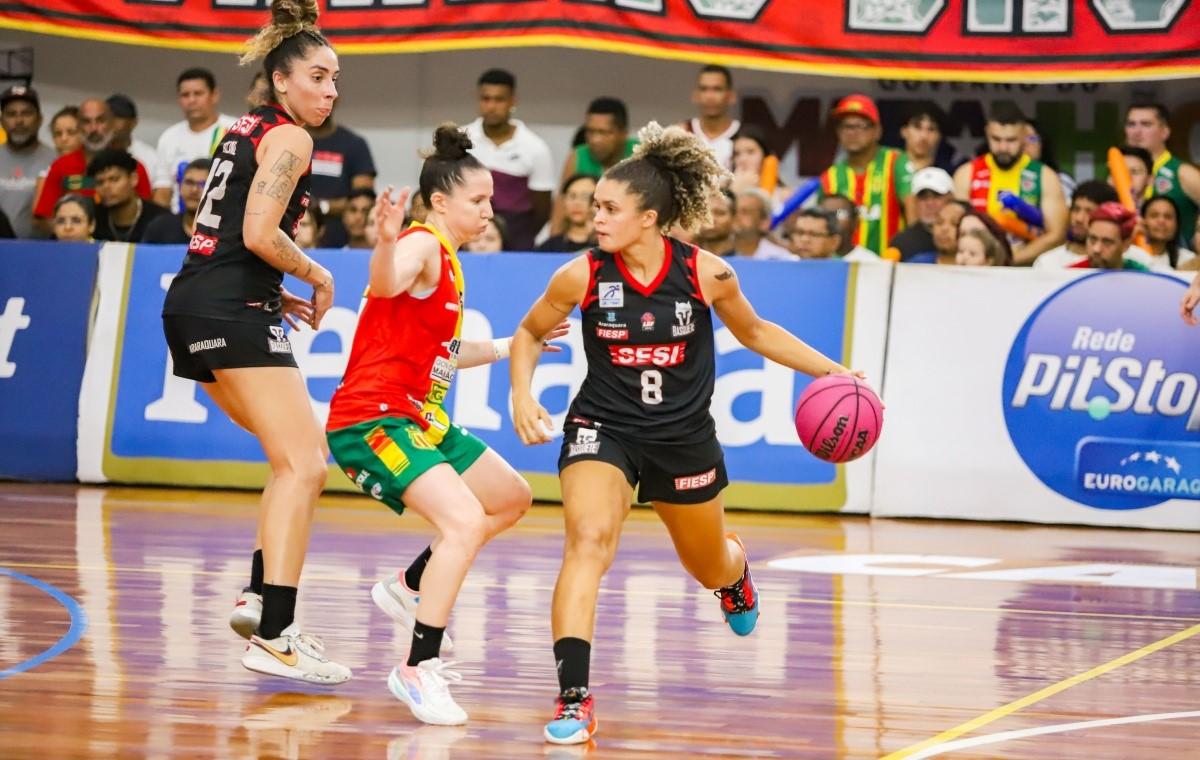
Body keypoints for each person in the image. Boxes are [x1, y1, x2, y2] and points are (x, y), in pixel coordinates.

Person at [507, 122, 864, 745]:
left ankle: (735, 575)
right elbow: (530, 332)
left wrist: (836, 373)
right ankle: (574, 698)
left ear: (649, 218)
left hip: (683, 438)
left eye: (610, 209)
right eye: (595, 206)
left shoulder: (708, 274)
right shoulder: (581, 274)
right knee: (588, 541)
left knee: (707, 564)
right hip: (603, 428)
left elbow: (756, 333)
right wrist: (521, 393)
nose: (597, 216)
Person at [326, 125, 564, 725]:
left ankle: (408, 587)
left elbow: (444, 352)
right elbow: (384, 281)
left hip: (420, 418)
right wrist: (383, 241)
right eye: (478, 201)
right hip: (372, 420)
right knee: (461, 522)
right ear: (439, 202)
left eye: (490, 201)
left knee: (510, 498)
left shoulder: (451, 263)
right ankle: (416, 669)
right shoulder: (422, 242)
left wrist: (513, 343)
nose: (490, 210)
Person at [160, 0, 350, 685]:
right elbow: (261, 233)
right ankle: (277, 632)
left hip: (194, 303)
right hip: (231, 308)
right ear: (281, 82)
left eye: (335, 80)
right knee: (306, 466)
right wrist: (317, 271)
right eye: (319, 77)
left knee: (286, 462)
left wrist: (274, 285)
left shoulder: (246, 129)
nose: (329, 91)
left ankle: (256, 596)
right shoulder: (293, 139)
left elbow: (224, 233)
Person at [954, 103, 1067, 265]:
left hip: (1025, 270)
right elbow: (956, 230)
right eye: (996, 139)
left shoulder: (1045, 176)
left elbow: (1057, 235)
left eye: (1011, 140)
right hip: (976, 270)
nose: (1003, 147)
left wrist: (1009, 260)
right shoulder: (967, 173)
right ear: (987, 133)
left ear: (1024, 135)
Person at [32, 97, 153, 234]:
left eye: (100, 121)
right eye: (86, 122)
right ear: (78, 126)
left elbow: (146, 214)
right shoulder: (61, 166)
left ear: (112, 125)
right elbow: (43, 217)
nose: (94, 129)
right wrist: (71, 233)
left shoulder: (133, 167)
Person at [465, 69, 555, 251]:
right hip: (466, 238)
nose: (491, 106)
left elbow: (543, 209)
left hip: (518, 242)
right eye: (486, 98)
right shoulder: (461, 139)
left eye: (499, 99)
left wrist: (515, 236)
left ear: (513, 101)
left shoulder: (535, 147)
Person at [819, 94, 909, 256]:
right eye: (846, 126)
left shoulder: (895, 162)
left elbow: (913, 213)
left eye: (860, 126)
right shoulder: (830, 177)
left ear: (877, 131)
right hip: (842, 268)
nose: (852, 133)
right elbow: (823, 225)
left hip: (888, 266)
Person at [153, 68, 238, 211]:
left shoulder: (235, 130)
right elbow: (163, 191)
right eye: (185, 95)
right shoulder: (169, 137)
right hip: (179, 222)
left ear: (214, 95)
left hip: (224, 222)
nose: (191, 100)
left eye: (198, 93)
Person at [1124, 102, 1200, 251]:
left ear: (1165, 132)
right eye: (1131, 124)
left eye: (1146, 124)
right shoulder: (1117, 172)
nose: (1136, 131)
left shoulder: (1182, 172)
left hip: (1177, 263)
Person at [307, 102, 376, 246]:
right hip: (297, 238)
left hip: (343, 241)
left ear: (336, 99)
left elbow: (363, 200)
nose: (322, 101)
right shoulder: (289, 140)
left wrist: (320, 207)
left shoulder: (354, 144)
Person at [0, 86, 55, 239]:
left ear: (40, 120)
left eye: (26, 113)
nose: (19, 121)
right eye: (11, 114)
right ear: (2, 121)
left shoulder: (56, 161)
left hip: (41, 254)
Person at [1032, 180, 1126, 270]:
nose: (1079, 219)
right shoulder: (1047, 263)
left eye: (1089, 212)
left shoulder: (1130, 260)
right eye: (1076, 210)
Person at [89, 149, 170, 243]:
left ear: (133, 179)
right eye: (100, 182)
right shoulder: (93, 219)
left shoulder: (162, 220)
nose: (106, 187)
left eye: (114, 179)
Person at [887, 166, 952, 262]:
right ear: (915, 202)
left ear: (950, 198)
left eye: (936, 196)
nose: (929, 204)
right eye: (923, 197)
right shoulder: (901, 242)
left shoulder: (964, 239)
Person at [681, 64, 739, 169]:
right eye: (704, 89)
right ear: (696, 95)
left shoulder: (745, 136)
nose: (710, 97)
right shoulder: (681, 133)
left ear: (731, 96)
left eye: (717, 89)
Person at [142, 158, 210, 244]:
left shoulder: (226, 234)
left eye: (203, 184)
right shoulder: (159, 228)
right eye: (189, 182)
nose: (194, 190)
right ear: (180, 186)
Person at [1070, 202, 1148, 271]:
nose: (1096, 249)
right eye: (1092, 240)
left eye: (1107, 242)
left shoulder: (1142, 277)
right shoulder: (1070, 275)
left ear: (1126, 245)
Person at [537, 174, 597, 253]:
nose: (577, 203)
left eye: (585, 197)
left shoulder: (607, 247)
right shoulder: (549, 248)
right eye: (572, 196)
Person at [730, 188, 793, 260]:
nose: (737, 216)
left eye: (745, 212)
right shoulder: (717, 255)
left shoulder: (781, 259)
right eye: (734, 211)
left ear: (764, 222)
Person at [1140, 195, 1196, 271]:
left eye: (1168, 217)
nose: (1161, 221)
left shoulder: (1187, 259)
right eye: (1154, 215)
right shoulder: (1128, 254)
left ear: (1177, 224)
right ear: (1142, 220)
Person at [819, 193, 876, 260]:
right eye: (825, 213)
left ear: (855, 222)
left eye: (840, 213)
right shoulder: (806, 258)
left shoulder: (870, 262)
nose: (832, 218)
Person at [695, 188, 736, 257]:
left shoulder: (749, 257)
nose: (711, 219)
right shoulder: (682, 256)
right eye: (705, 213)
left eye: (720, 213)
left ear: (734, 219)